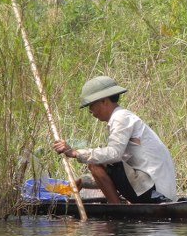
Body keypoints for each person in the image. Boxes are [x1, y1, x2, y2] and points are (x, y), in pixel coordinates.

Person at [53, 76, 177, 204]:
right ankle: (116, 204)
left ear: (104, 101)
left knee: (95, 164)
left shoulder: (120, 118)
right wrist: (83, 182)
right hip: (155, 189)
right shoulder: (122, 117)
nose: (90, 110)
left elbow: (114, 154)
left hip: (155, 191)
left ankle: (115, 207)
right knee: (100, 162)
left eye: (91, 105)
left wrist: (75, 153)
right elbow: (111, 175)